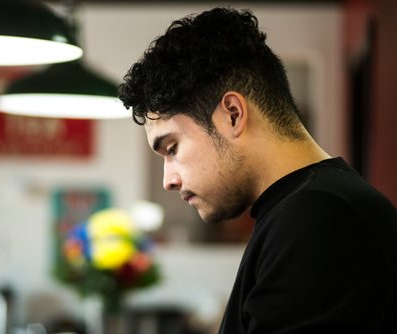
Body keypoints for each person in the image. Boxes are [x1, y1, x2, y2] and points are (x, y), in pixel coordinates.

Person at [118, 7, 397, 334]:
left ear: (233, 114)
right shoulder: (303, 208)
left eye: (173, 148)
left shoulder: (318, 217)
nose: (168, 180)